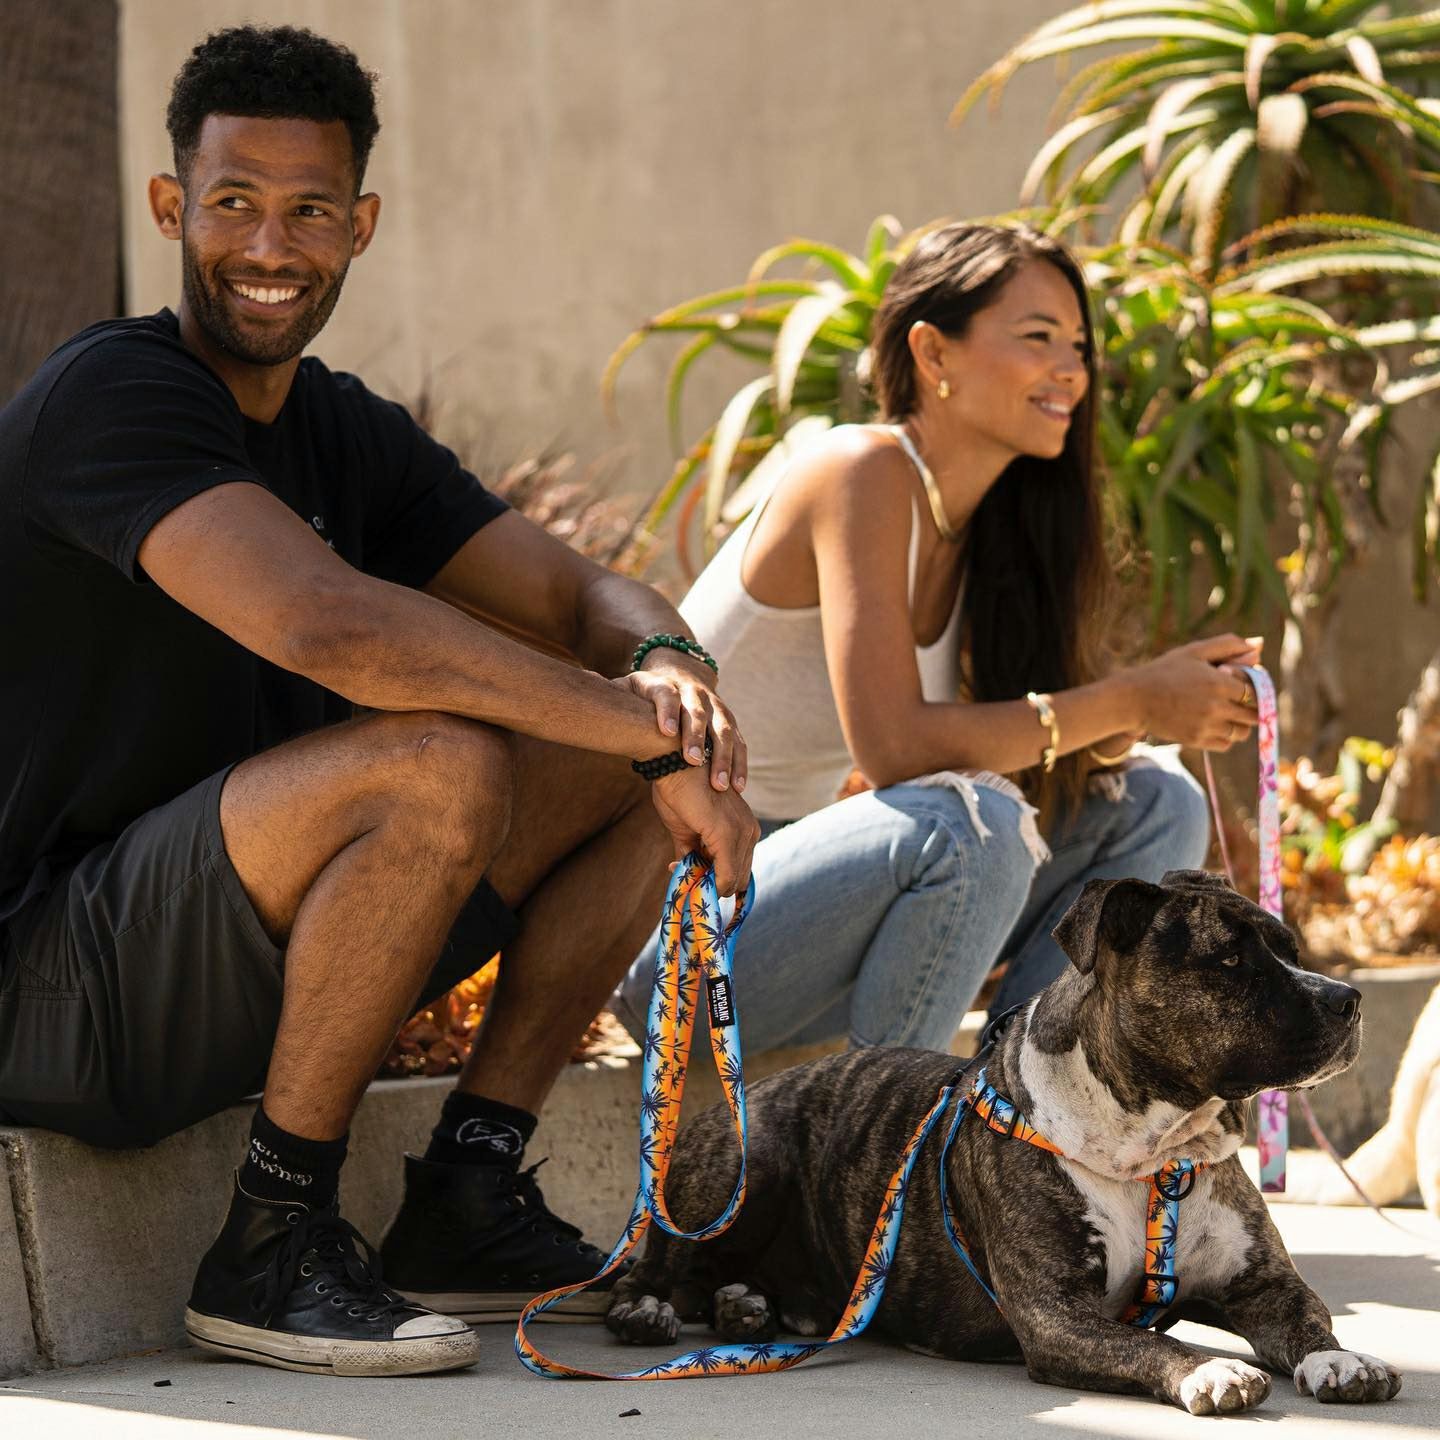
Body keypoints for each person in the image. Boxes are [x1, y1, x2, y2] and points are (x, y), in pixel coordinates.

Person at [0, 25, 757, 1378]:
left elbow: (583, 590)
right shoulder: (112, 394)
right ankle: (268, 1245)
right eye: (233, 202)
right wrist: (646, 730)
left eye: (308, 210)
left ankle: (467, 1188)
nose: (269, 245)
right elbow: (329, 624)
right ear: (171, 206)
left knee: (627, 770)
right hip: (52, 984)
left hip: (223, 949)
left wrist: (673, 682)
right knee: (439, 763)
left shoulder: (344, 429)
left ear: (360, 225)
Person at [614, 222, 1260, 1057]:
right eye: (1038, 337)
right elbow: (895, 749)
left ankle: (1031, 1106)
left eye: (1078, 345)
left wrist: (1153, 711)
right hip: (680, 939)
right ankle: (899, 1134)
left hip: (804, 928)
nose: (1072, 369)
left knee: (1161, 802)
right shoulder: (859, 471)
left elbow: (998, 750)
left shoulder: (993, 528)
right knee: (969, 822)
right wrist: (1130, 698)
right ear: (933, 352)